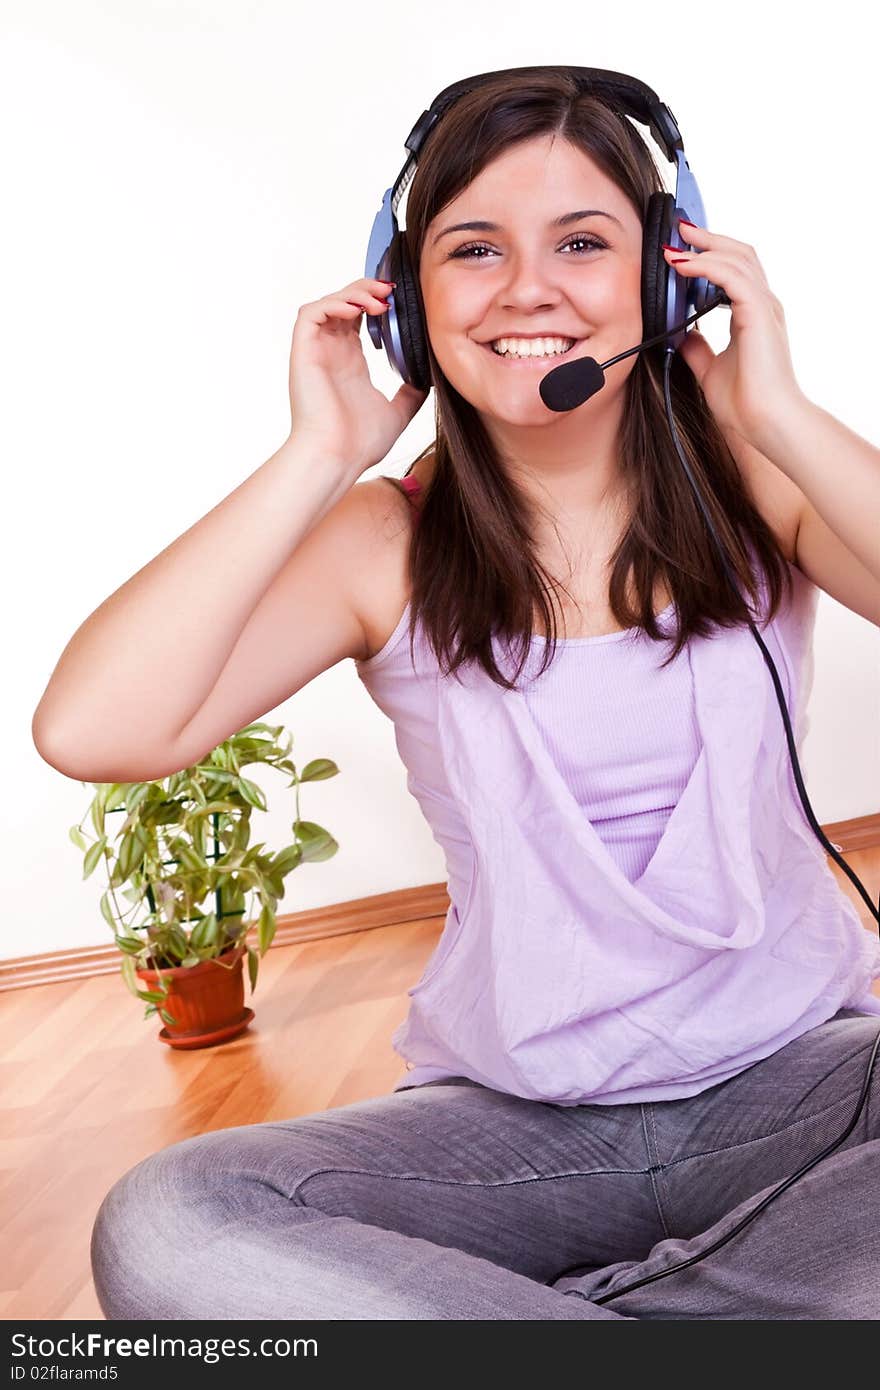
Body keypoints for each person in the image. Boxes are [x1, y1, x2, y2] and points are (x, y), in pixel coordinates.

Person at [34, 74, 880, 1319]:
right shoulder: (382, 541)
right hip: (517, 1135)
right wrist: (320, 450)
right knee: (174, 1225)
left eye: (584, 244)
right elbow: (92, 729)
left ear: (669, 277)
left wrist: (781, 409)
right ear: (406, 300)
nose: (528, 289)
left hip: (804, 1083)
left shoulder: (756, 482)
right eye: (472, 248)